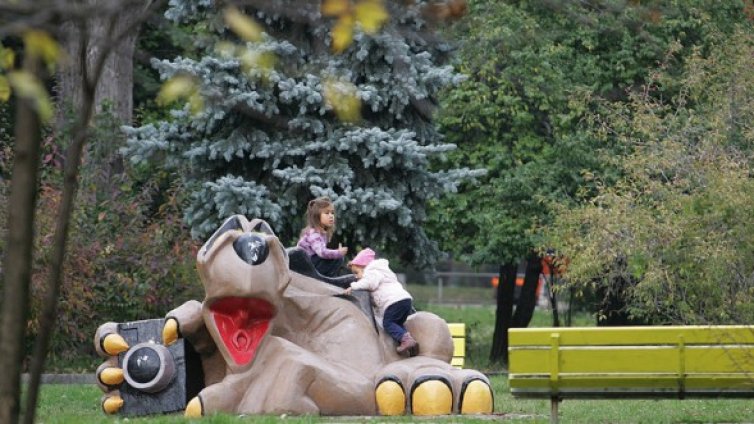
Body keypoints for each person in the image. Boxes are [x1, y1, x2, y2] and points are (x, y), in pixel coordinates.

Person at [344, 248, 418, 355]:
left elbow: (369, 283)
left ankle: (406, 340)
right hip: (404, 300)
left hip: (393, 301)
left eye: (357, 273)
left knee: (388, 323)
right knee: (397, 324)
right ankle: (410, 345)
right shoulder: (382, 272)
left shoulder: (372, 271)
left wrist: (353, 287)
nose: (356, 277)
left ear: (364, 266)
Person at [297, 196, 348, 277]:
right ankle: (325, 278)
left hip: (310, 262)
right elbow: (322, 252)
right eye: (327, 213)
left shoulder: (320, 232)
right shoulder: (314, 233)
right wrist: (338, 252)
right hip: (305, 266)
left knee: (338, 258)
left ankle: (326, 277)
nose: (331, 216)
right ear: (317, 216)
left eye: (332, 213)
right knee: (338, 258)